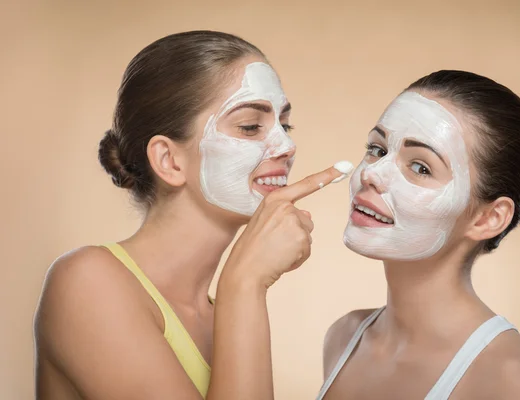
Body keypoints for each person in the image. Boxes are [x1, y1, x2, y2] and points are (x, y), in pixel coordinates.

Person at [33, 30, 349, 400]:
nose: (287, 145)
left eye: (285, 124)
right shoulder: (86, 282)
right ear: (169, 160)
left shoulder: (221, 316)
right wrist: (245, 282)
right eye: (250, 126)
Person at [317, 71, 520, 399]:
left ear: (488, 218)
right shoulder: (344, 337)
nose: (371, 173)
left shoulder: (512, 381)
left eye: (421, 167)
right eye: (377, 149)